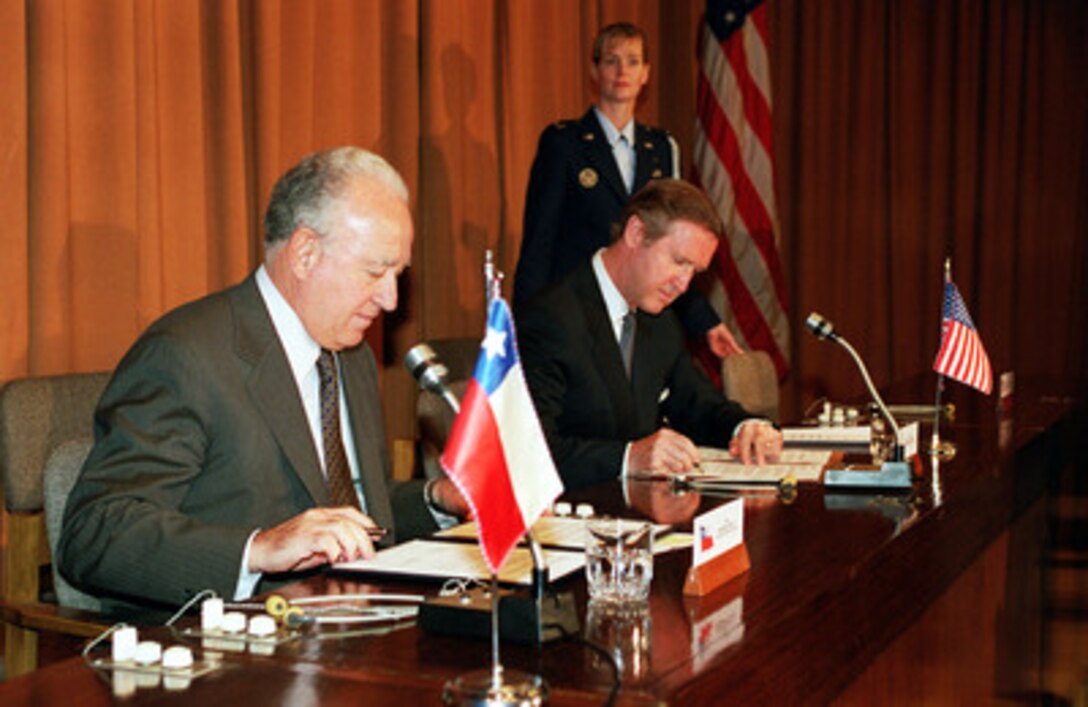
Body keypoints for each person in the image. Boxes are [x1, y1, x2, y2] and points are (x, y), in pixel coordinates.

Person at [59, 147, 466, 612]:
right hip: (228, 648)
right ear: (306, 253)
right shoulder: (188, 355)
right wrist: (259, 550)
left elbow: (346, 505)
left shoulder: (350, 357)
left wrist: (436, 500)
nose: (391, 300)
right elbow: (93, 534)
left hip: (350, 625)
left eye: (398, 275)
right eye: (375, 271)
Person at [516, 179, 782, 491]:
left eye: (693, 272)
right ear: (636, 233)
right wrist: (628, 457)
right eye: (679, 261)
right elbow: (529, 452)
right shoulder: (549, 319)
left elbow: (697, 405)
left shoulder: (661, 323)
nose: (683, 285)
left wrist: (745, 427)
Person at [514, 21, 742, 358]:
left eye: (633, 61)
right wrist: (526, 325)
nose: (622, 70)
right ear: (594, 70)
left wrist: (704, 321)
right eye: (611, 60)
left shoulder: (662, 148)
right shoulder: (564, 142)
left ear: (646, 73)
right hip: (578, 312)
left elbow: (677, 243)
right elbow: (539, 243)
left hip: (640, 315)